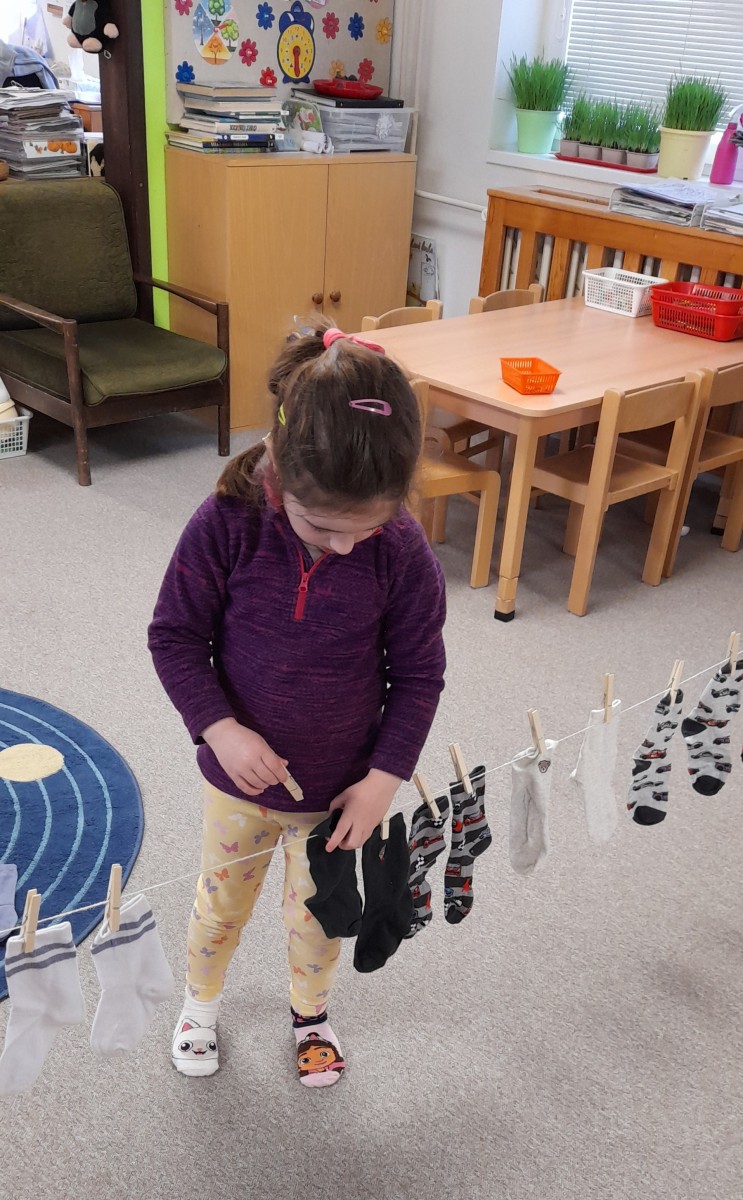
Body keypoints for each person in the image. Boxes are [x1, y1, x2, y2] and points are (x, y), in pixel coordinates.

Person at [148, 324, 446, 1087]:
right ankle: (199, 1005)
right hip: (237, 785)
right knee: (219, 905)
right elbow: (174, 635)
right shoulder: (227, 521)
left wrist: (383, 779)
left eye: (366, 529)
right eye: (323, 528)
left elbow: (418, 675)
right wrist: (219, 729)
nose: (345, 547)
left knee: (320, 917)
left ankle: (310, 1016)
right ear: (277, 476)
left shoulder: (401, 549)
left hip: (338, 792)